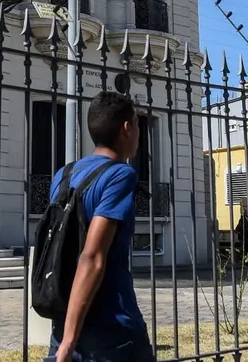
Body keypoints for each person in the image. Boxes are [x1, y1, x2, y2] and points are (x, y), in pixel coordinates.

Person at [46, 91, 153, 362]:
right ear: (127, 129)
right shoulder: (120, 175)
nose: (140, 133)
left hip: (63, 319)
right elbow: (92, 256)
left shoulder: (64, 174)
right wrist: (69, 342)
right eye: (138, 125)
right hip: (112, 327)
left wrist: (66, 337)